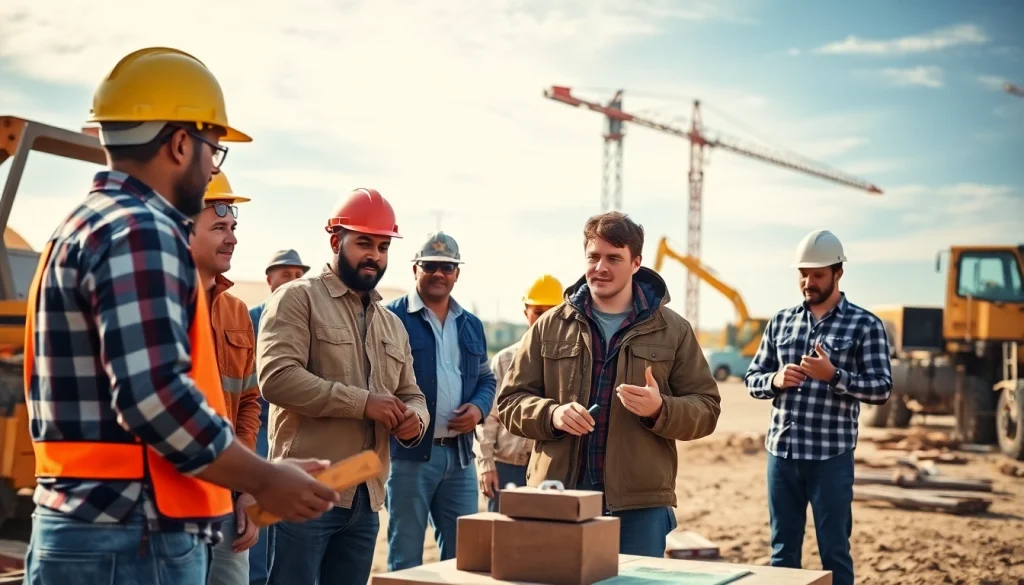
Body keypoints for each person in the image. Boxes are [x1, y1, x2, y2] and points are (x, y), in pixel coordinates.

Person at [22, 47, 339, 585]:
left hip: (83, 525)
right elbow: (155, 399)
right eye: (214, 151)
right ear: (179, 143)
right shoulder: (143, 230)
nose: (212, 166)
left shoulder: (75, 228)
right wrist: (263, 477)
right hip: (133, 536)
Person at [497, 211, 721, 558]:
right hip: (559, 497)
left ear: (636, 263)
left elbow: (707, 409)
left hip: (638, 507)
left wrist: (660, 409)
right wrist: (552, 414)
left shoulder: (674, 331)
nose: (600, 267)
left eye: (613, 258)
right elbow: (510, 402)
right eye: (593, 256)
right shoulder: (549, 325)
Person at [257, 187, 430, 585]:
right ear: (336, 241)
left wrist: (413, 421)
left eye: (383, 246)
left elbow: (412, 393)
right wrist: (363, 403)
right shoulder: (297, 299)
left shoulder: (391, 323)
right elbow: (277, 378)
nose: (375, 255)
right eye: (364, 243)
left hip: (365, 498)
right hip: (306, 491)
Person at [743, 229, 892, 585]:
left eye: (818, 274)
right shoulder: (780, 321)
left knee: (834, 551)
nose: (809, 281)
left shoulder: (865, 325)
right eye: (803, 274)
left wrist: (834, 375)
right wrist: (775, 380)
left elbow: (882, 388)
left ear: (838, 272)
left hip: (831, 458)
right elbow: (753, 377)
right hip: (782, 454)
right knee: (782, 553)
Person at [384, 231, 496, 570]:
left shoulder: (471, 324)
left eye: (447, 267)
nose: (439, 274)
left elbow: (487, 378)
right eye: (430, 266)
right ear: (415, 269)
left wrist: (478, 408)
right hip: (407, 458)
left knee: (463, 558)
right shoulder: (391, 318)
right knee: (406, 556)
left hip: (460, 458)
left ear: (457, 274)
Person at [190, 172, 263, 585]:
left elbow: (249, 401)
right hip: (172, 500)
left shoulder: (236, 312)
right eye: (219, 227)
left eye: (233, 227)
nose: (232, 238)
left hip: (227, 497)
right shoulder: (160, 304)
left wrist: (248, 487)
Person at [474, 274, 563, 512]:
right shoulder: (504, 360)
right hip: (506, 467)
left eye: (551, 311)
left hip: (550, 470)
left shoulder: (570, 364)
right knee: (503, 543)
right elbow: (488, 418)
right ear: (526, 313)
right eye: (538, 311)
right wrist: (486, 465)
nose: (544, 318)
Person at [246, 248, 308, 585]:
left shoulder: (309, 321)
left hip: (294, 432)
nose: (293, 281)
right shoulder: (248, 319)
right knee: (257, 512)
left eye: (299, 275)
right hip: (255, 428)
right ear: (269, 278)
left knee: (291, 520)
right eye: (286, 274)